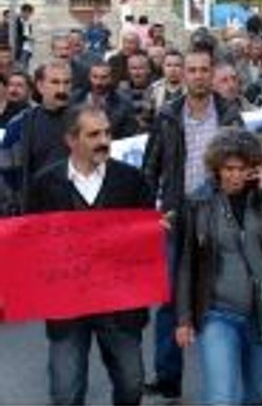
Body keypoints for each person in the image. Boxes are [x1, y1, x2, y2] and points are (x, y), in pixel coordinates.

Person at [27, 104, 155, 405]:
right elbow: (31, 244)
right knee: (65, 391)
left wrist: (154, 230)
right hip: (67, 305)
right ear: (71, 140)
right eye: (94, 134)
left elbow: (146, 236)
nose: (105, 141)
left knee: (132, 383)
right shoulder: (45, 183)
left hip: (119, 304)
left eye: (108, 133)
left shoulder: (131, 179)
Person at [175, 128, 262, 405]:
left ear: (254, 167)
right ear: (216, 167)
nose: (235, 175)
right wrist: (184, 318)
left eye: (242, 168)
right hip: (217, 314)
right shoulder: (199, 202)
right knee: (222, 397)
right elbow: (187, 264)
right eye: (228, 168)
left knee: (257, 395)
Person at [142, 48, 245, 400]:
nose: (199, 75)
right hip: (177, 215)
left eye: (204, 70)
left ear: (212, 74)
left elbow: (247, 162)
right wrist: (152, 211)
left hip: (219, 215)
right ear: (182, 74)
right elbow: (150, 166)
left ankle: (226, 371)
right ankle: (168, 376)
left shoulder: (230, 114)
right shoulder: (168, 114)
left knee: (223, 294)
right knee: (170, 296)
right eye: (193, 70)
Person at [0, 61, 73, 213]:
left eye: (67, 82)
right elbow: (7, 174)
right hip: (34, 213)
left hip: (75, 212)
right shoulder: (19, 125)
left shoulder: (85, 122)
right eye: (55, 82)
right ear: (40, 86)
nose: (62, 89)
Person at [73, 61, 138, 140]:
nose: (98, 82)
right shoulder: (75, 98)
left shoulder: (124, 103)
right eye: (95, 77)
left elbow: (129, 136)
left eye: (104, 77)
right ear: (89, 77)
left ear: (110, 78)